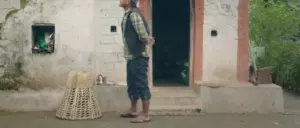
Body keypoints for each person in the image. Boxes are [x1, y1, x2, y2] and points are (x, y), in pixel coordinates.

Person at [119, 0, 155, 123]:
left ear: (129, 1)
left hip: (138, 55)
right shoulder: (128, 14)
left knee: (141, 84)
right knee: (132, 84)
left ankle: (145, 115)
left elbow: (142, 33)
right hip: (131, 56)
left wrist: (148, 39)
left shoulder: (134, 14)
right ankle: (133, 110)